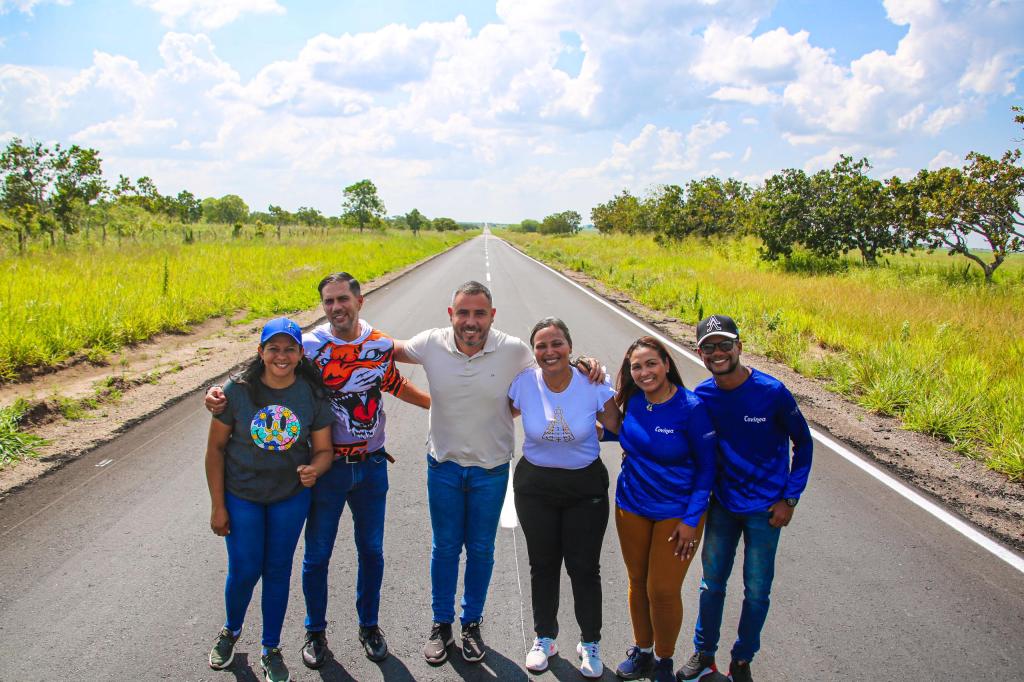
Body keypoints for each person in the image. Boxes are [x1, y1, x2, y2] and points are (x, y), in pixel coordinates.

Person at [205, 272, 431, 668]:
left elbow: (394, 381)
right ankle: (314, 632)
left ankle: (369, 627)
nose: (336, 307)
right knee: (317, 555)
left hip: (372, 465)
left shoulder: (379, 344)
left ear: (360, 300)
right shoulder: (307, 345)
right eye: (328, 301)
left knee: (372, 552)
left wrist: (440, 404)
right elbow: (262, 365)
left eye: (343, 299)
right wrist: (218, 391)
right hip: (327, 469)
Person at [392, 281, 603, 666]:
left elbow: (552, 368)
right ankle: (442, 625)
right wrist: (329, 342)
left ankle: (471, 624)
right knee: (444, 548)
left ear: (492, 315)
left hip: (490, 470)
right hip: (443, 465)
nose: (470, 321)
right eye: (463, 312)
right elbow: (385, 351)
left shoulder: (514, 350)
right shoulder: (431, 342)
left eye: (479, 313)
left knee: (481, 550)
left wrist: (586, 362)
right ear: (451, 314)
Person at [676, 315, 813, 682]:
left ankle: (742, 659)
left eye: (724, 344)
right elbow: (687, 443)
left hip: (766, 511)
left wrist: (790, 498)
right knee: (711, 584)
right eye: (709, 347)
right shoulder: (702, 396)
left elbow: (804, 444)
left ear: (739, 346)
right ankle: (704, 654)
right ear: (700, 353)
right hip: (721, 506)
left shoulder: (772, 392)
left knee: (756, 592)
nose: (718, 353)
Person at [205, 317, 334, 682]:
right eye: (273, 348)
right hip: (241, 495)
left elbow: (324, 449)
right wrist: (218, 505)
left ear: (299, 353)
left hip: (288, 498)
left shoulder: (310, 393)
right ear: (260, 352)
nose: (281, 355)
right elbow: (215, 448)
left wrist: (316, 469)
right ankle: (231, 631)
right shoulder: (238, 390)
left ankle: (271, 647)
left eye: (289, 348)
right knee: (245, 569)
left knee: (278, 570)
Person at [508, 317, 619, 678]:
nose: (549, 351)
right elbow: (495, 411)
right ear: (534, 352)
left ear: (570, 347)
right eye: (541, 346)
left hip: (584, 486)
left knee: (584, 568)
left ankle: (590, 642)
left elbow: (618, 426)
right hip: (535, 486)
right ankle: (545, 637)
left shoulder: (592, 382)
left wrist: (603, 379)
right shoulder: (524, 382)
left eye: (557, 343)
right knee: (542, 565)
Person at [609, 336, 717, 682]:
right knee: (638, 582)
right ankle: (642, 651)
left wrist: (691, 519)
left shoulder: (692, 407)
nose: (643, 372)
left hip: (677, 511)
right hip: (631, 506)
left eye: (651, 363)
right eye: (636, 367)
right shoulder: (635, 401)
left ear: (666, 364)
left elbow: (708, 468)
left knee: (663, 590)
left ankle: (664, 660)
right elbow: (620, 432)